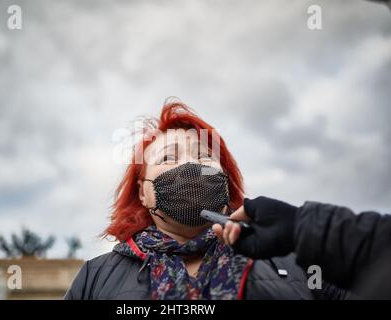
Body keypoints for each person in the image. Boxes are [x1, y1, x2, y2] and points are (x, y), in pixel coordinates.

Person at [65, 101, 348, 300]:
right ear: (142, 192)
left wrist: (311, 233)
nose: (190, 165)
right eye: (168, 158)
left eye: (203, 156)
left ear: (226, 179)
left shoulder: (294, 261)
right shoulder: (95, 277)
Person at [213, 196, 391, 298]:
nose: (191, 165)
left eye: (203, 156)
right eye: (182, 157)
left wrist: (297, 227)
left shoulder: (302, 257)